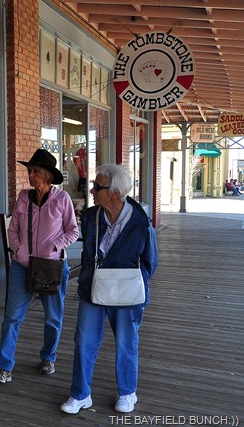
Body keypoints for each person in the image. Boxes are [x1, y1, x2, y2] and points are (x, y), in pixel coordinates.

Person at [60, 164, 158, 415]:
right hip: (92, 287)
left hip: (127, 292)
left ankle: (127, 392)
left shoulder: (140, 223)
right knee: (84, 340)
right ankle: (80, 394)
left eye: (97, 186)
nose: (91, 190)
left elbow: (150, 262)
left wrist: (134, 284)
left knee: (126, 342)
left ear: (115, 193)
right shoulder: (91, 217)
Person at [0, 149, 79, 383]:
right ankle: (4, 365)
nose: (31, 175)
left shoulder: (62, 199)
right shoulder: (23, 197)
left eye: (35, 172)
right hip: (22, 266)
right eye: (30, 171)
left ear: (47, 175)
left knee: (52, 318)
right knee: (12, 317)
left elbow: (73, 231)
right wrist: (19, 250)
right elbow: (13, 229)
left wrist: (56, 245)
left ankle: (48, 357)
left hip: (52, 267)